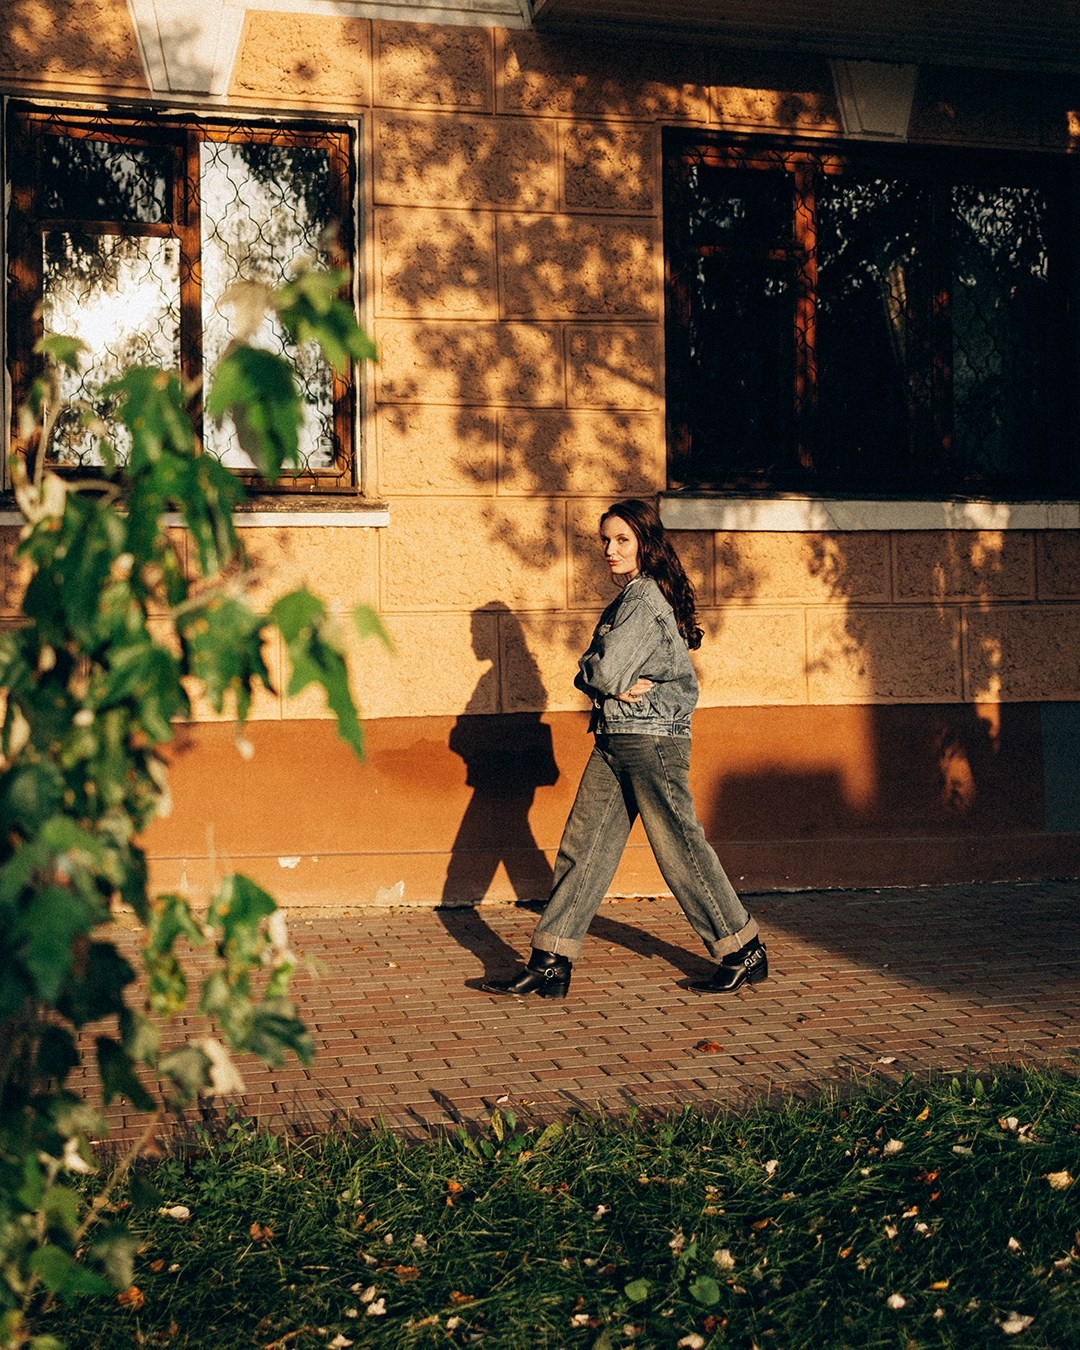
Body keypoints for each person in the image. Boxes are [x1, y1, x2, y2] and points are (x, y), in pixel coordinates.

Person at [483, 498, 767, 1001]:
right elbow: (604, 675)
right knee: (583, 846)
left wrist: (593, 672)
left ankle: (742, 949)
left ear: (645, 545)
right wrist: (601, 676)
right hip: (617, 735)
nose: (609, 550)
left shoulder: (643, 600)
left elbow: (602, 672)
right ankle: (551, 961)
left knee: (679, 845)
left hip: (651, 740)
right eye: (605, 541)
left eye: (621, 540)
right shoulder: (634, 597)